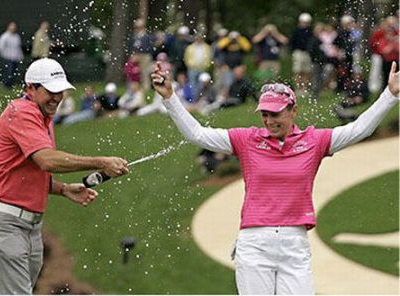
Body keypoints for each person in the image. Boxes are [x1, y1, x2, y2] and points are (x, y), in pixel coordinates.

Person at [151, 61, 399, 295]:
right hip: (255, 243)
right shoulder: (247, 140)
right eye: (265, 114)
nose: (269, 121)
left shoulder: (314, 141)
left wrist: (390, 95)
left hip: (295, 243)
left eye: (275, 114)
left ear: (293, 111)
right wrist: (170, 97)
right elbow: (197, 135)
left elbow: (359, 129)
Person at [0, 58, 129, 295]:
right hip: (5, 225)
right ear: (31, 88)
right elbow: (47, 160)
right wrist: (101, 162)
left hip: (30, 228)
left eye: (61, 91)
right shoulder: (21, 112)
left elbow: (28, 171)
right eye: (51, 91)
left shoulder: (43, 118)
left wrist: (63, 189)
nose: (57, 97)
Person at [0, 21, 23, 88]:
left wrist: (20, 56)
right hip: (7, 58)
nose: (13, 28)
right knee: (8, 71)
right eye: (11, 26)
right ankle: (6, 84)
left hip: (15, 58)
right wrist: (3, 55)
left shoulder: (17, 36)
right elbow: (0, 46)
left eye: (14, 27)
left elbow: (18, 47)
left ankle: (10, 84)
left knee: (13, 72)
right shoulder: (5, 36)